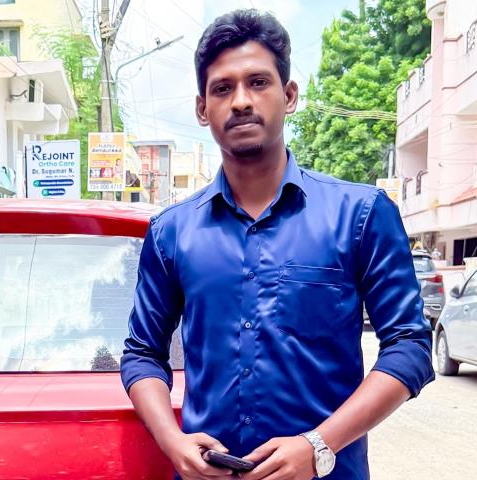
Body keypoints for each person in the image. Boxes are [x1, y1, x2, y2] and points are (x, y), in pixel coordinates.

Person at [121, 9, 434, 480]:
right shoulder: (171, 232)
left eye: (258, 82)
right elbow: (142, 353)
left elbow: (408, 346)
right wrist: (173, 442)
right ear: (202, 109)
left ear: (288, 96)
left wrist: (318, 445)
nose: (241, 101)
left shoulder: (361, 214)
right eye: (222, 88)